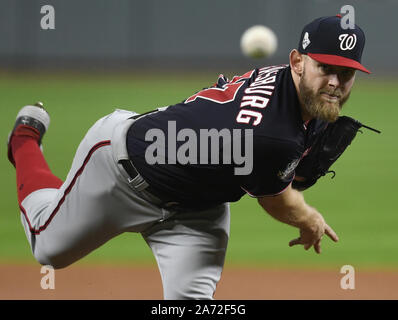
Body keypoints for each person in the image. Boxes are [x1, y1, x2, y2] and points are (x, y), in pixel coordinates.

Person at [7, 15, 369, 299]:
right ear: (298, 62)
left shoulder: (290, 92)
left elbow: (277, 155)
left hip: (197, 210)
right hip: (122, 170)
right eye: (326, 69)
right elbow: (276, 200)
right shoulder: (271, 136)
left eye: (346, 73)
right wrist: (308, 219)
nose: (336, 83)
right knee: (48, 249)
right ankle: (24, 138)